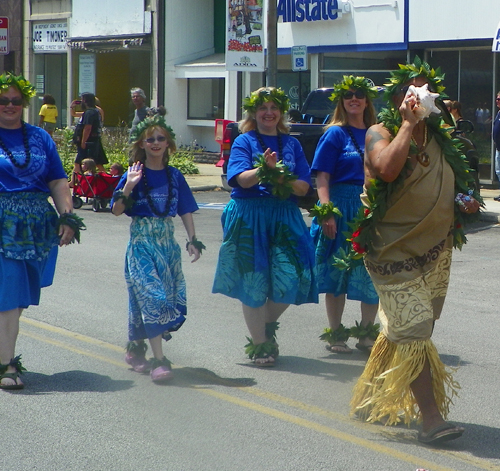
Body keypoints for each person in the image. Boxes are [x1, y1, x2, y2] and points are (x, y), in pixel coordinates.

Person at [349, 57, 481, 445]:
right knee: (417, 327)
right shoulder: (381, 131)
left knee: (408, 328)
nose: (421, 96)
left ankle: (371, 394)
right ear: (398, 99)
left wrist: (464, 201)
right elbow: (387, 170)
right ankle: (431, 419)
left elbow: (453, 182)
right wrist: (408, 124)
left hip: (436, 250)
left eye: (426, 90)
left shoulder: (441, 137)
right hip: (391, 252)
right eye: (412, 91)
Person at [212, 87, 318, 367]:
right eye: (262, 108)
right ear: (254, 113)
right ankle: (260, 344)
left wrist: (279, 173)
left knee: (296, 273)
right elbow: (240, 179)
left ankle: (261, 324)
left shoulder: (292, 144)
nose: (268, 112)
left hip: (284, 213)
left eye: (274, 107)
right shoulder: (244, 141)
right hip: (250, 213)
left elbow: (304, 186)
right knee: (254, 279)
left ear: (281, 112)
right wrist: (264, 170)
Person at [0, 72, 84, 390]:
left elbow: (58, 181)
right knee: (8, 291)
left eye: (15, 101)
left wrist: (68, 217)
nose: (9, 105)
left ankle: (2, 350)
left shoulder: (39, 138)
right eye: (3, 100)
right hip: (2, 222)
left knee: (19, 296)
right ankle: (6, 364)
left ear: (24, 103)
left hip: (35, 224)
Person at [111, 115, 204, 383]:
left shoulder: (175, 176)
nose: (155, 143)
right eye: (150, 139)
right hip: (141, 244)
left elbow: (185, 209)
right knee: (153, 298)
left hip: (167, 246)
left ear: (169, 144)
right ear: (141, 143)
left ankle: (136, 346)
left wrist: (192, 240)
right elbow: (116, 210)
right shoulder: (134, 173)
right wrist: (128, 185)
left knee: (162, 299)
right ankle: (159, 361)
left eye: (160, 138)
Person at [310, 76, 379, 354]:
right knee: (338, 273)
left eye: (359, 94)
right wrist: (327, 213)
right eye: (349, 94)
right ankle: (336, 334)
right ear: (342, 100)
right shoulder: (335, 134)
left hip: (369, 208)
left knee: (372, 273)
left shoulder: (378, 132)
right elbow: (322, 178)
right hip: (341, 205)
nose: (354, 99)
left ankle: (366, 333)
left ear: (366, 100)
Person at [71, 93, 108, 179]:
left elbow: (88, 127)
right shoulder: (91, 112)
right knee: (98, 163)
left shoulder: (90, 112)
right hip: (94, 140)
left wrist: (83, 141)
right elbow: (74, 114)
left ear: (85, 101)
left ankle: (76, 181)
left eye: (82, 100)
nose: (81, 102)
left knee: (79, 162)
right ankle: (108, 180)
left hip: (89, 142)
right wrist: (72, 106)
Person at [493, 92, 500, 201]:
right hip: (498, 148)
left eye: (499, 99)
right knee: (498, 171)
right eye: (497, 99)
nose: (497, 101)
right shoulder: (498, 113)